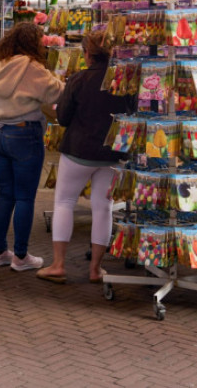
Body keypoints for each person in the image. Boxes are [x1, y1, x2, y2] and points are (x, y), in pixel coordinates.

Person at [37, 30, 133, 284]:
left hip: (78, 151)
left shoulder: (78, 79)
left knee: (64, 202)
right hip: (111, 153)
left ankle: (58, 264)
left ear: (87, 54)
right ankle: (95, 269)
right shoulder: (122, 81)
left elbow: (64, 118)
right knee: (103, 208)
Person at [0, 22, 64, 271]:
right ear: (31, 43)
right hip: (25, 134)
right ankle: (21, 256)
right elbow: (56, 93)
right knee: (25, 197)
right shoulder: (32, 67)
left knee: (6, 195)